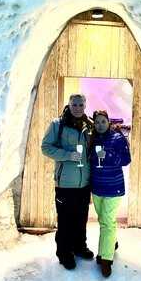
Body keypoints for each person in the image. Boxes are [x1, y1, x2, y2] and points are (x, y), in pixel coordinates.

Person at [41, 94, 94, 270]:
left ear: (85, 105)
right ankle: (64, 254)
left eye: (80, 104)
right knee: (65, 221)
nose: (77, 107)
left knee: (81, 218)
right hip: (65, 184)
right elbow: (46, 147)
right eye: (74, 105)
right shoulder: (58, 124)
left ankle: (79, 247)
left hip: (84, 184)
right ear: (69, 105)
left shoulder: (89, 126)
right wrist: (67, 155)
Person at [90, 110, 131, 277]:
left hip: (113, 187)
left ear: (108, 122)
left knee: (106, 221)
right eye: (97, 122)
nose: (100, 125)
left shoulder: (117, 138)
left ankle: (106, 259)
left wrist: (109, 155)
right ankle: (111, 242)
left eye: (103, 121)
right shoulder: (93, 138)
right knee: (104, 220)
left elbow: (126, 159)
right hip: (97, 186)